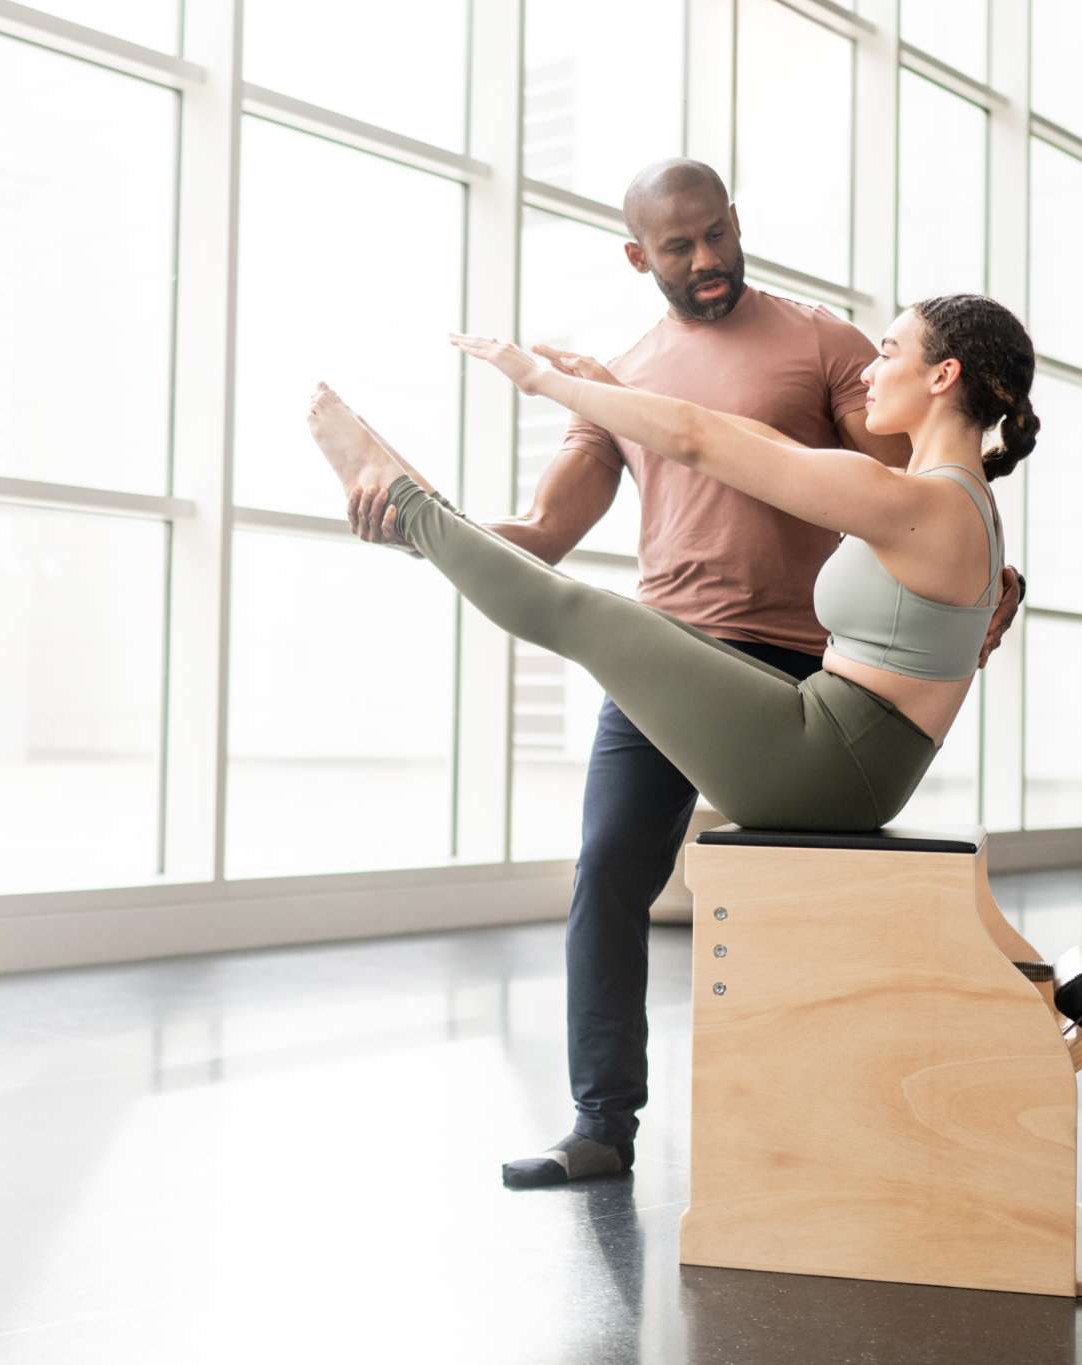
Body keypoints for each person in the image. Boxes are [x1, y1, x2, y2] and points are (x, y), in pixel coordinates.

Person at [318, 163, 1023, 1191]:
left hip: (795, 666)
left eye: (717, 233)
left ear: (736, 223)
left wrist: (980, 603)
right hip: (675, 648)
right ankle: (600, 1124)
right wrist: (427, 531)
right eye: (679, 244)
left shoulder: (822, 346)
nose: (705, 258)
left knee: (756, 884)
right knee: (606, 871)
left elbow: (886, 480)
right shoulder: (626, 377)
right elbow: (545, 537)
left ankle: (799, 1119)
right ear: (635, 256)